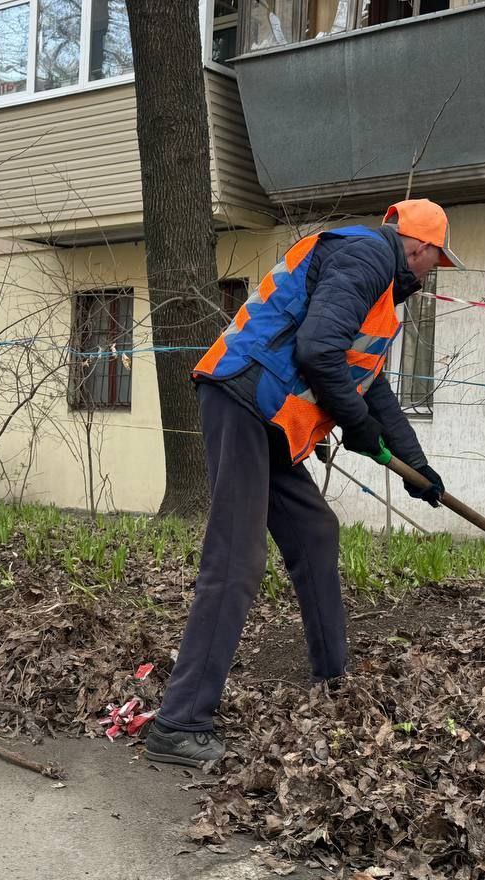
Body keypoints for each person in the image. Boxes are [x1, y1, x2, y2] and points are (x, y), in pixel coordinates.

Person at [144, 199, 461, 767]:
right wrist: (360, 430)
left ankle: (334, 678)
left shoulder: (380, 296)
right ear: (418, 246)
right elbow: (317, 351)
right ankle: (179, 721)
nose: (434, 271)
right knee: (236, 560)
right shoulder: (365, 257)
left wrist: (420, 471)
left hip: (272, 420)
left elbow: (371, 388)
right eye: (437, 259)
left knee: (314, 532)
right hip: (241, 399)